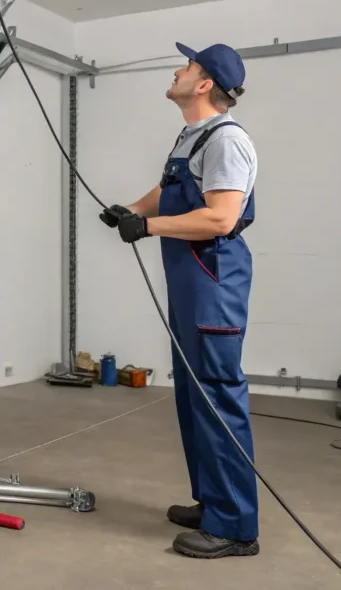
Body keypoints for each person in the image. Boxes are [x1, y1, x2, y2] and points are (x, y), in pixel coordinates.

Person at [99, 42, 259, 559]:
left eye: (187, 67)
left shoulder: (227, 141)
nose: (177, 70)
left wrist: (145, 227)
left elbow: (220, 218)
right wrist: (128, 209)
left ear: (205, 82)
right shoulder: (194, 136)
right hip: (189, 281)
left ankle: (235, 526)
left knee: (216, 397)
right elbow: (168, 191)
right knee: (194, 398)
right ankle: (213, 503)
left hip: (212, 279)